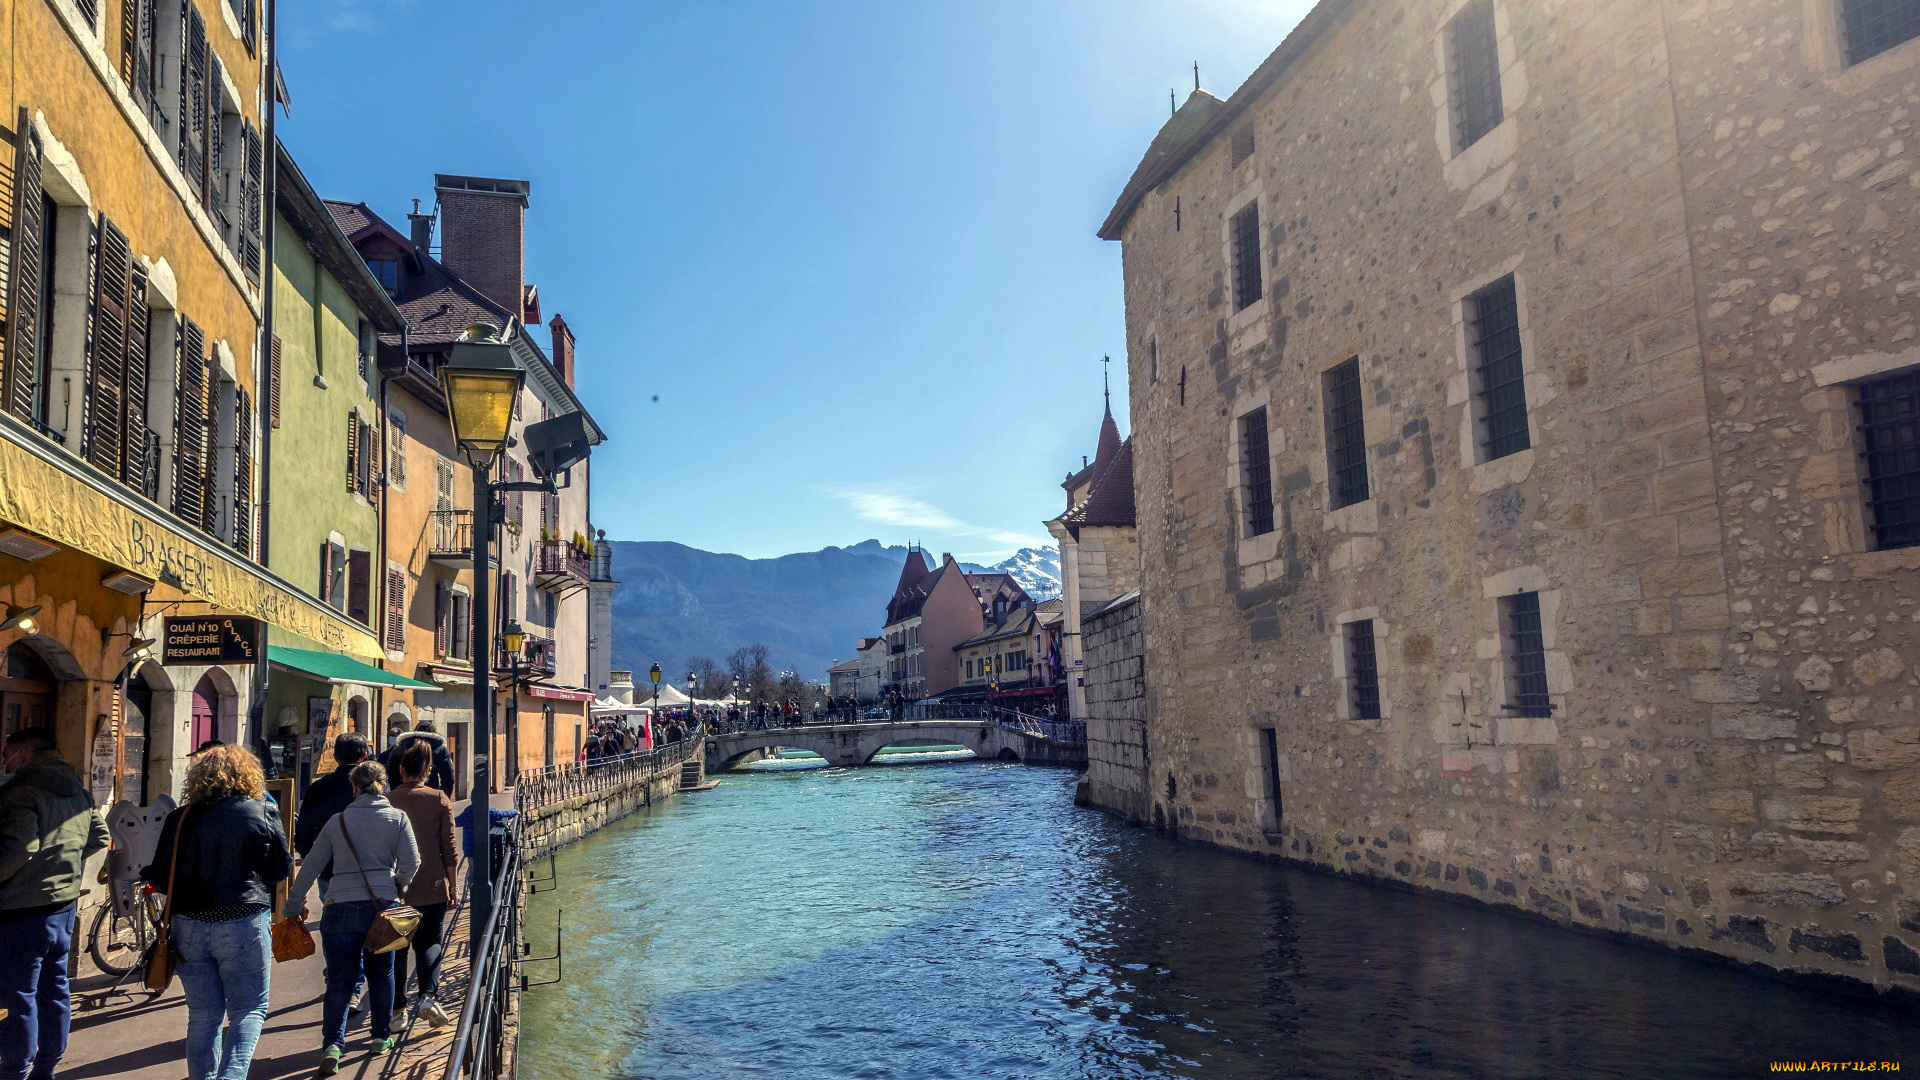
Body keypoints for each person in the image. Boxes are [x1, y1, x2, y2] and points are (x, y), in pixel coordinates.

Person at [142, 745, 293, 1080]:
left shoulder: (180, 817)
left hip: (189, 924)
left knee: (203, 1015)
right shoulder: (260, 811)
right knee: (248, 1009)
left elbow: (161, 873)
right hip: (243, 919)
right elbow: (280, 868)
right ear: (248, 773)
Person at [283, 762, 420, 1075]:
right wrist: (397, 885)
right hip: (382, 908)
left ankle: (332, 1045)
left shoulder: (338, 821)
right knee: (381, 973)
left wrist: (292, 905)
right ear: (383, 785)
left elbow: (311, 866)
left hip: (339, 906)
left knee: (340, 980)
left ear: (354, 787)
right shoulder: (397, 818)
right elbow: (412, 862)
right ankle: (380, 1038)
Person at [0, 729, 108, 1080]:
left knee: (19, 996)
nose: (4, 761)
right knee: (55, 988)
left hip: (21, 910)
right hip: (62, 908)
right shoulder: (77, 790)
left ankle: (15, 1069)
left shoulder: (20, 794)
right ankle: (46, 1066)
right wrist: (64, 868)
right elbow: (99, 837)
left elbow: (19, 848)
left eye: (7, 753)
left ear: (23, 754)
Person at [386, 742, 456, 1029]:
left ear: (401, 770)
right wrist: (453, 885)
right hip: (433, 883)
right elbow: (448, 847)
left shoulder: (388, 800)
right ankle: (428, 996)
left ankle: (398, 1010)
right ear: (428, 770)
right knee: (429, 942)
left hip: (397, 889)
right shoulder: (439, 799)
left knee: (398, 948)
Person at [383, 719, 454, 796]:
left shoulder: (400, 748)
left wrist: (396, 793)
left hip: (402, 795)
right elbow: (448, 778)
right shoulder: (441, 750)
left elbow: (390, 774)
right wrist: (442, 798)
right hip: (430, 797)